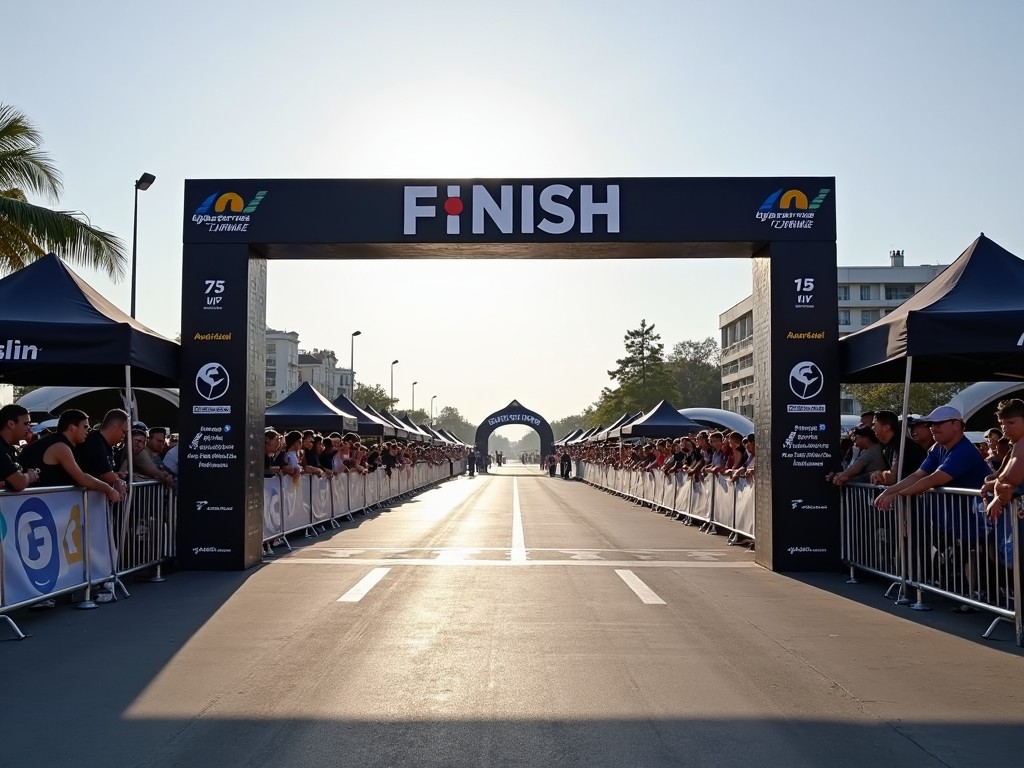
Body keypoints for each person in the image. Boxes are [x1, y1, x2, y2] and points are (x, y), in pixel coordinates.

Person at [874, 406, 990, 510]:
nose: (933, 428)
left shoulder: (964, 450)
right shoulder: (938, 449)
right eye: (931, 424)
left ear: (956, 425)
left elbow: (933, 479)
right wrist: (888, 491)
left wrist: (897, 494)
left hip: (974, 524)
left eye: (938, 424)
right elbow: (918, 475)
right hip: (952, 522)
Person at [17, 409, 121, 500]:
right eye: (85, 427)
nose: (88, 431)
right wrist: (109, 490)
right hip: (34, 501)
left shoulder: (58, 442)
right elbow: (81, 478)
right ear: (72, 428)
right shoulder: (60, 447)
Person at [72, 408, 129, 500]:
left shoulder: (107, 446)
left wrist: (116, 476)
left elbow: (102, 471)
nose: (124, 436)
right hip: (81, 500)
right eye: (124, 432)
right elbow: (106, 476)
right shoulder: (95, 442)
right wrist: (117, 480)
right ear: (114, 427)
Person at [0, 403, 39, 491]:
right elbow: (19, 483)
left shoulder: (8, 449)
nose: (29, 429)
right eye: (26, 424)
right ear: (11, 424)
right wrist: (30, 476)